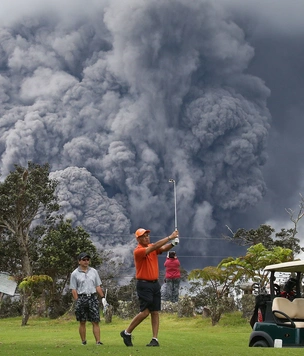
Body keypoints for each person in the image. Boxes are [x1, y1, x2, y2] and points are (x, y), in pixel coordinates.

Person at [120, 228, 179, 347]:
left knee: (155, 311)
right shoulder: (139, 251)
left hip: (155, 283)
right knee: (145, 312)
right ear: (138, 239)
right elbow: (154, 246)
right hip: (144, 284)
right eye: (143, 236)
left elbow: (161, 249)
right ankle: (127, 332)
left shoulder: (151, 247)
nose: (146, 237)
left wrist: (173, 244)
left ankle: (155, 339)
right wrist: (170, 237)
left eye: (147, 235)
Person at [70, 252, 108, 345]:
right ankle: (83, 341)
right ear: (79, 261)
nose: (86, 261)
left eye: (87, 260)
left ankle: (98, 341)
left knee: (95, 320)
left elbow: (97, 286)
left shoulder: (94, 271)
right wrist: (77, 301)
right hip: (82, 297)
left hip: (92, 297)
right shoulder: (75, 274)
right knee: (82, 321)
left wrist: (103, 297)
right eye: (84, 260)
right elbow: (73, 289)